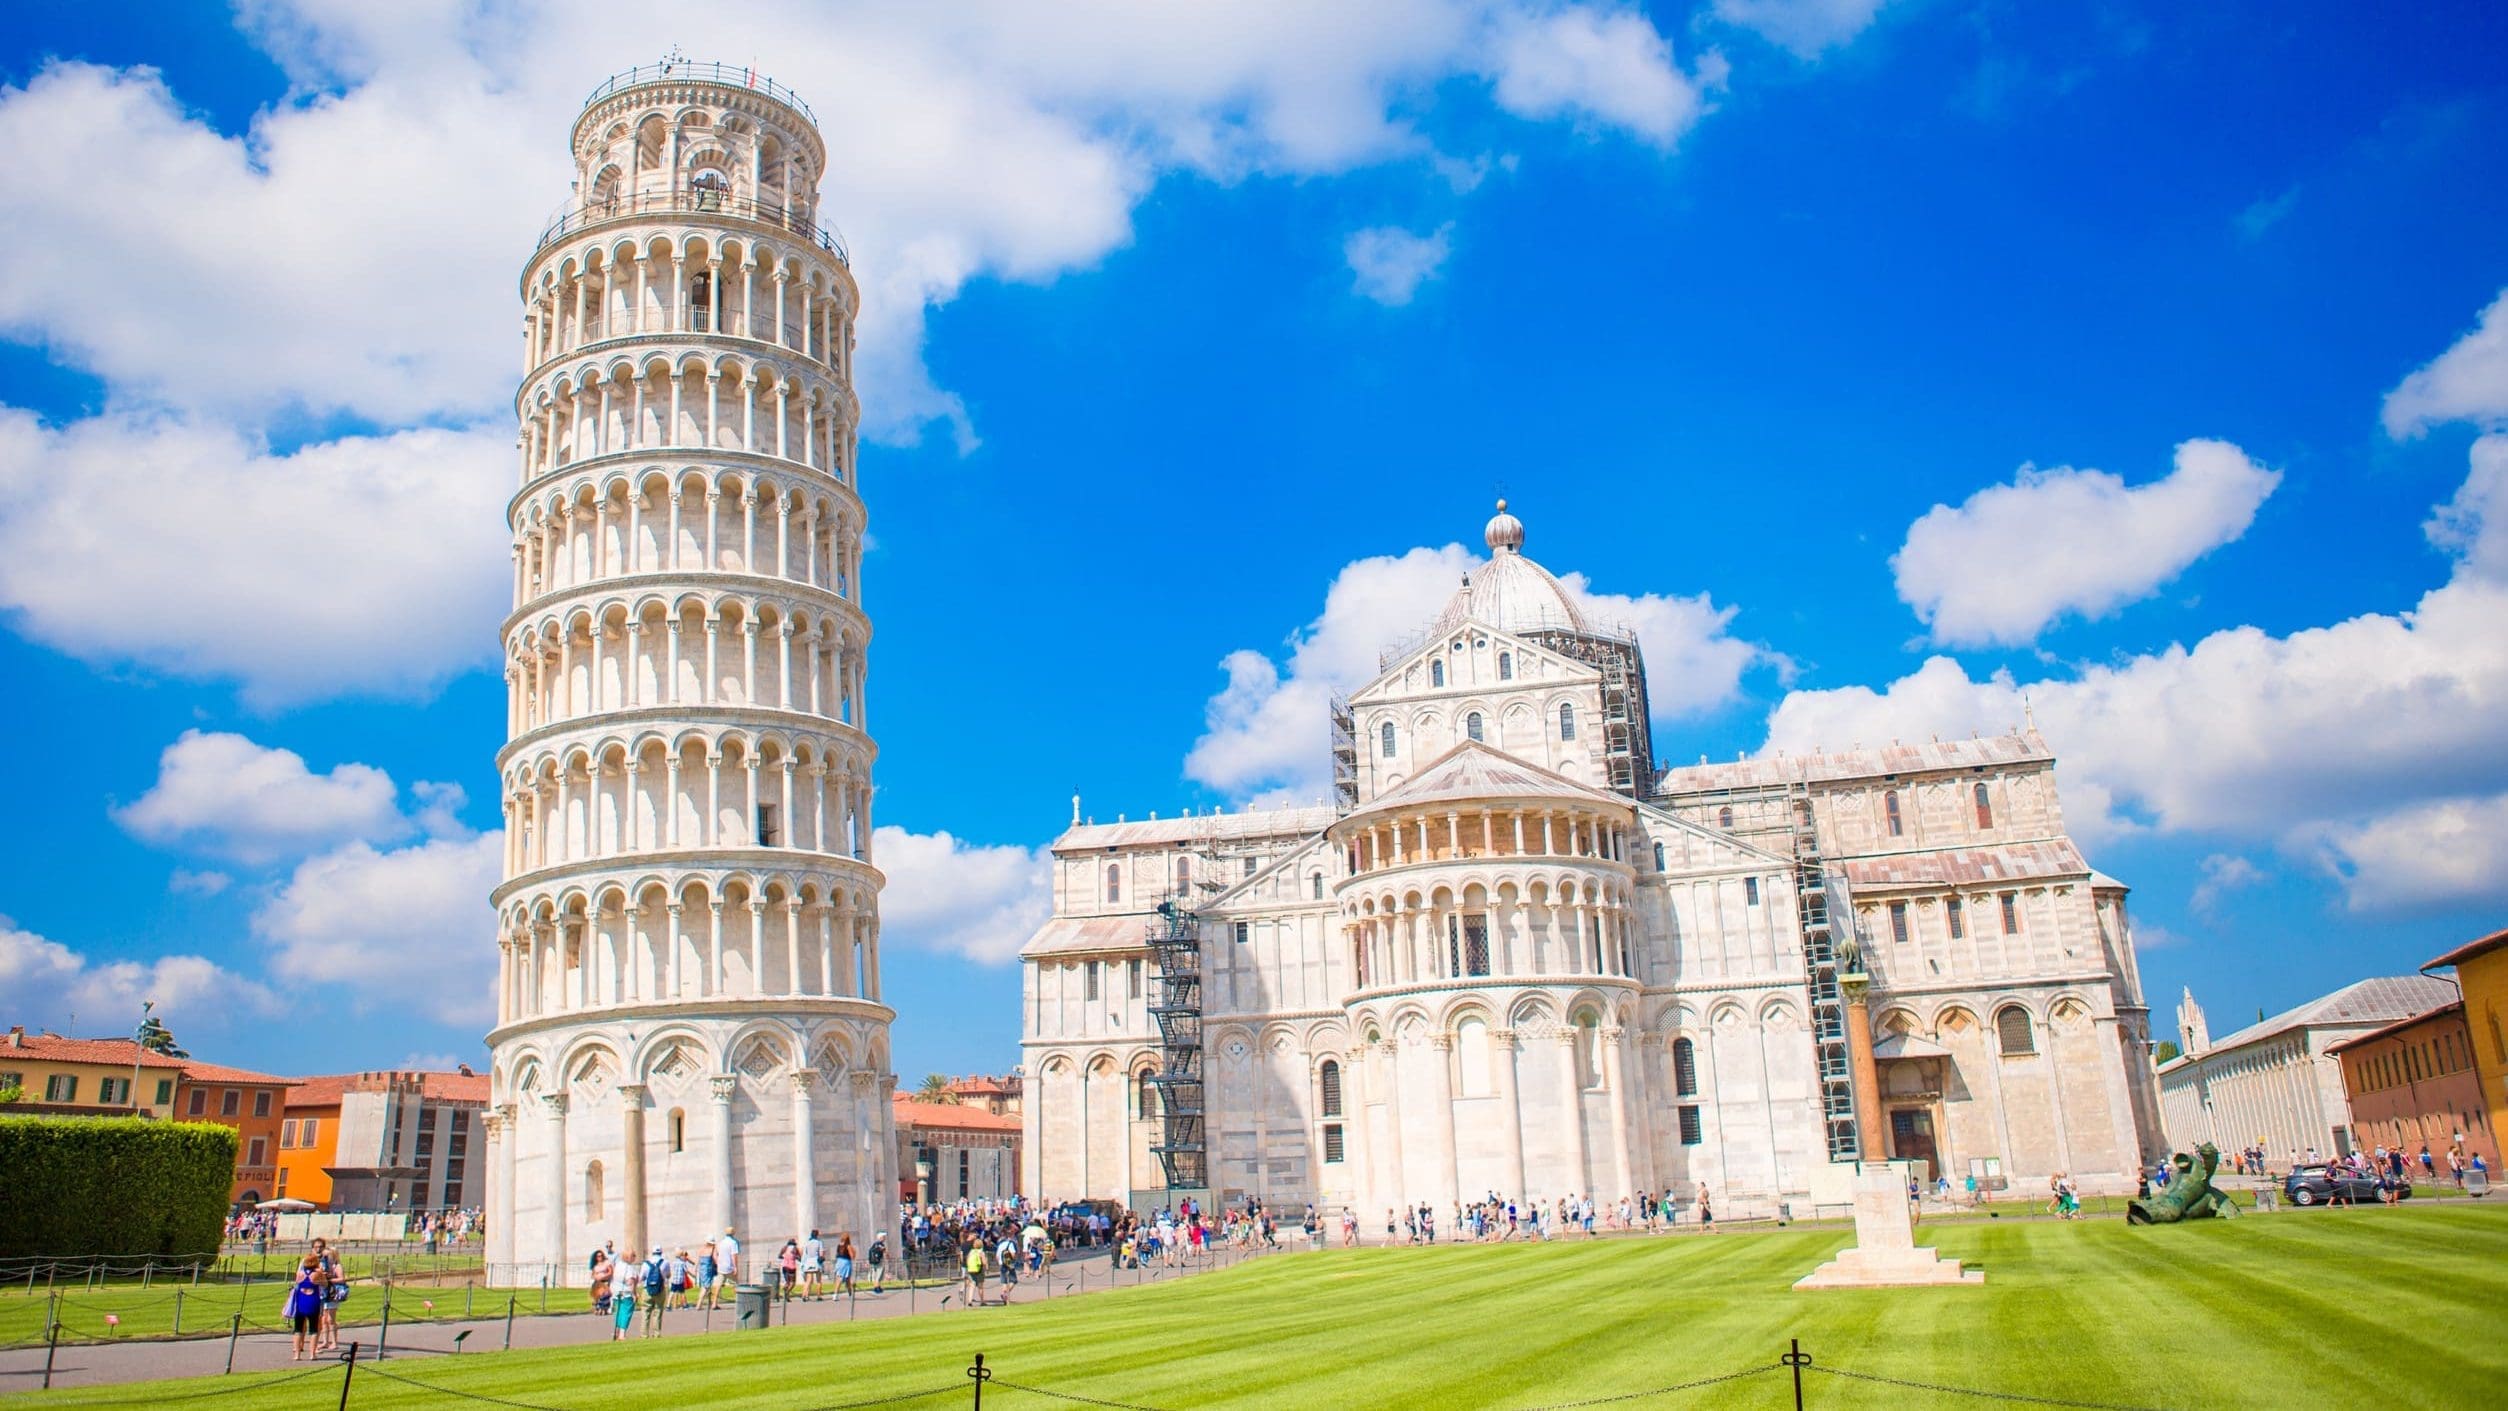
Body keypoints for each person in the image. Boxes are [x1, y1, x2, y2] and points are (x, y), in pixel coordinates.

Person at [284, 1255, 327, 1361]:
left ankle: (297, 1354)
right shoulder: (317, 1273)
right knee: (313, 1330)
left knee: (298, 1329)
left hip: (301, 1301)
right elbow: (325, 1284)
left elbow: (297, 1284)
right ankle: (312, 1354)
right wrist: (321, 1274)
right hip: (313, 1301)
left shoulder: (300, 1273)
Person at [608, 1246, 641, 1341]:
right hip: (626, 1293)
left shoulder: (618, 1265)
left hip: (616, 1292)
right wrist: (634, 1294)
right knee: (626, 1312)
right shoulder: (630, 1268)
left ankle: (616, 1332)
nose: (635, 1257)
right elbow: (630, 1282)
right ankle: (622, 1334)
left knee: (618, 1312)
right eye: (634, 1255)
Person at [640, 1249, 668, 1337]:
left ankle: (644, 1334)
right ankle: (656, 1333)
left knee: (645, 1312)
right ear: (661, 1252)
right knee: (658, 1311)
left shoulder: (646, 1263)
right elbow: (668, 1275)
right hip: (660, 1289)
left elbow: (641, 1278)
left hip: (647, 1289)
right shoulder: (665, 1262)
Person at [960, 1235, 987, 1308]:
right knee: (980, 1286)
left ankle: (970, 1301)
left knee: (972, 1286)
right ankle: (982, 1301)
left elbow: (967, 1260)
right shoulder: (981, 1252)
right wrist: (985, 1269)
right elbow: (984, 1262)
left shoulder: (971, 1252)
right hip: (979, 1270)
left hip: (971, 1270)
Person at [801, 1230, 825, 1299]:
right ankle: (819, 1296)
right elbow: (821, 1253)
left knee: (808, 1280)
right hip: (816, 1261)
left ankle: (804, 1295)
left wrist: (803, 1263)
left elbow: (804, 1254)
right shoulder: (819, 1242)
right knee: (819, 1280)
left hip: (808, 1261)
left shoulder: (807, 1243)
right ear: (817, 1235)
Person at [834, 1233, 856, 1297]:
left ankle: (836, 1294)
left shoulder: (839, 1245)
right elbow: (852, 1256)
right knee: (847, 1279)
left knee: (839, 1278)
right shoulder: (848, 1246)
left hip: (839, 1262)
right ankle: (850, 1294)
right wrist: (854, 1252)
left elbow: (837, 1254)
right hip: (846, 1262)